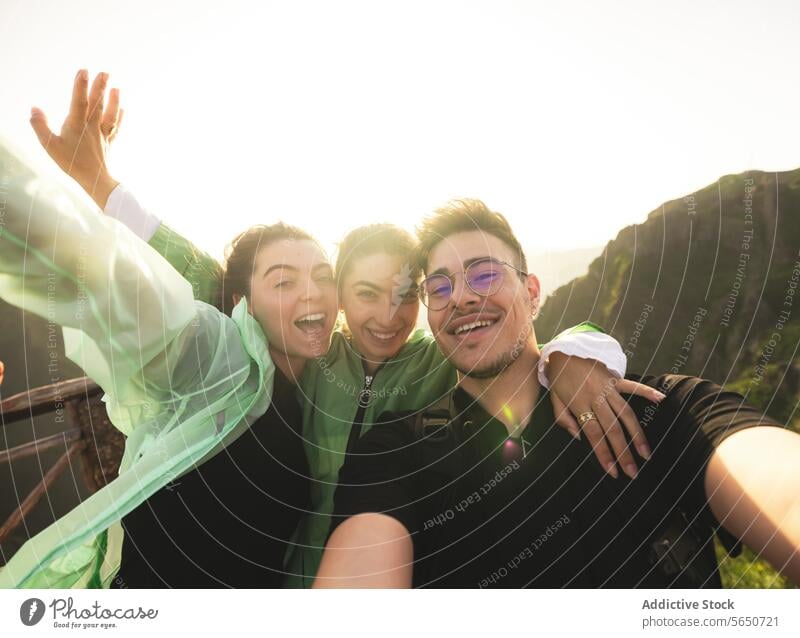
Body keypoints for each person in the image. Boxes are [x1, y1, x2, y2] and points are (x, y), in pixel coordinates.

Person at [6, 69, 657, 588]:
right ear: (340, 298)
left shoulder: (438, 359)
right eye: (365, 294)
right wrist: (106, 190)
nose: (387, 315)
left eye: (409, 293)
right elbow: (215, 282)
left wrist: (578, 353)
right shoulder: (313, 355)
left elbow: (522, 338)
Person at [315, 199, 800, 588]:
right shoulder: (395, 453)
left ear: (532, 292)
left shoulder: (664, 411)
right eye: (438, 288)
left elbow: (776, 482)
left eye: (484, 274)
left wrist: (567, 353)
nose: (461, 296)